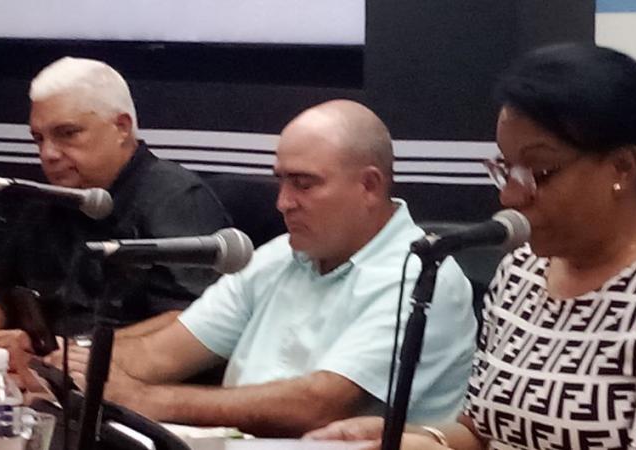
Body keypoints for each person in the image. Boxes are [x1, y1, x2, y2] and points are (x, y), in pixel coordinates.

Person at [307, 44, 636, 449]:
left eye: (539, 173)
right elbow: (484, 431)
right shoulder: (520, 271)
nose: (511, 196)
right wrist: (411, 438)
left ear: (621, 166)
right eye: (506, 170)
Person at [53, 100, 478, 437]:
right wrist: (64, 364)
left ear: (369, 186)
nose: (283, 202)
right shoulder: (279, 255)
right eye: (281, 181)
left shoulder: (421, 274)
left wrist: (148, 400)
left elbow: (319, 405)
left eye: (304, 183)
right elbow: (163, 353)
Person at [0, 56, 230, 353]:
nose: (48, 153)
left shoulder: (177, 199)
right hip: (46, 369)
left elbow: (190, 319)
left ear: (121, 127)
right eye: (39, 139)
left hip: (130, 370)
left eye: (67, 133)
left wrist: (65, 350)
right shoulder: (44, 201)